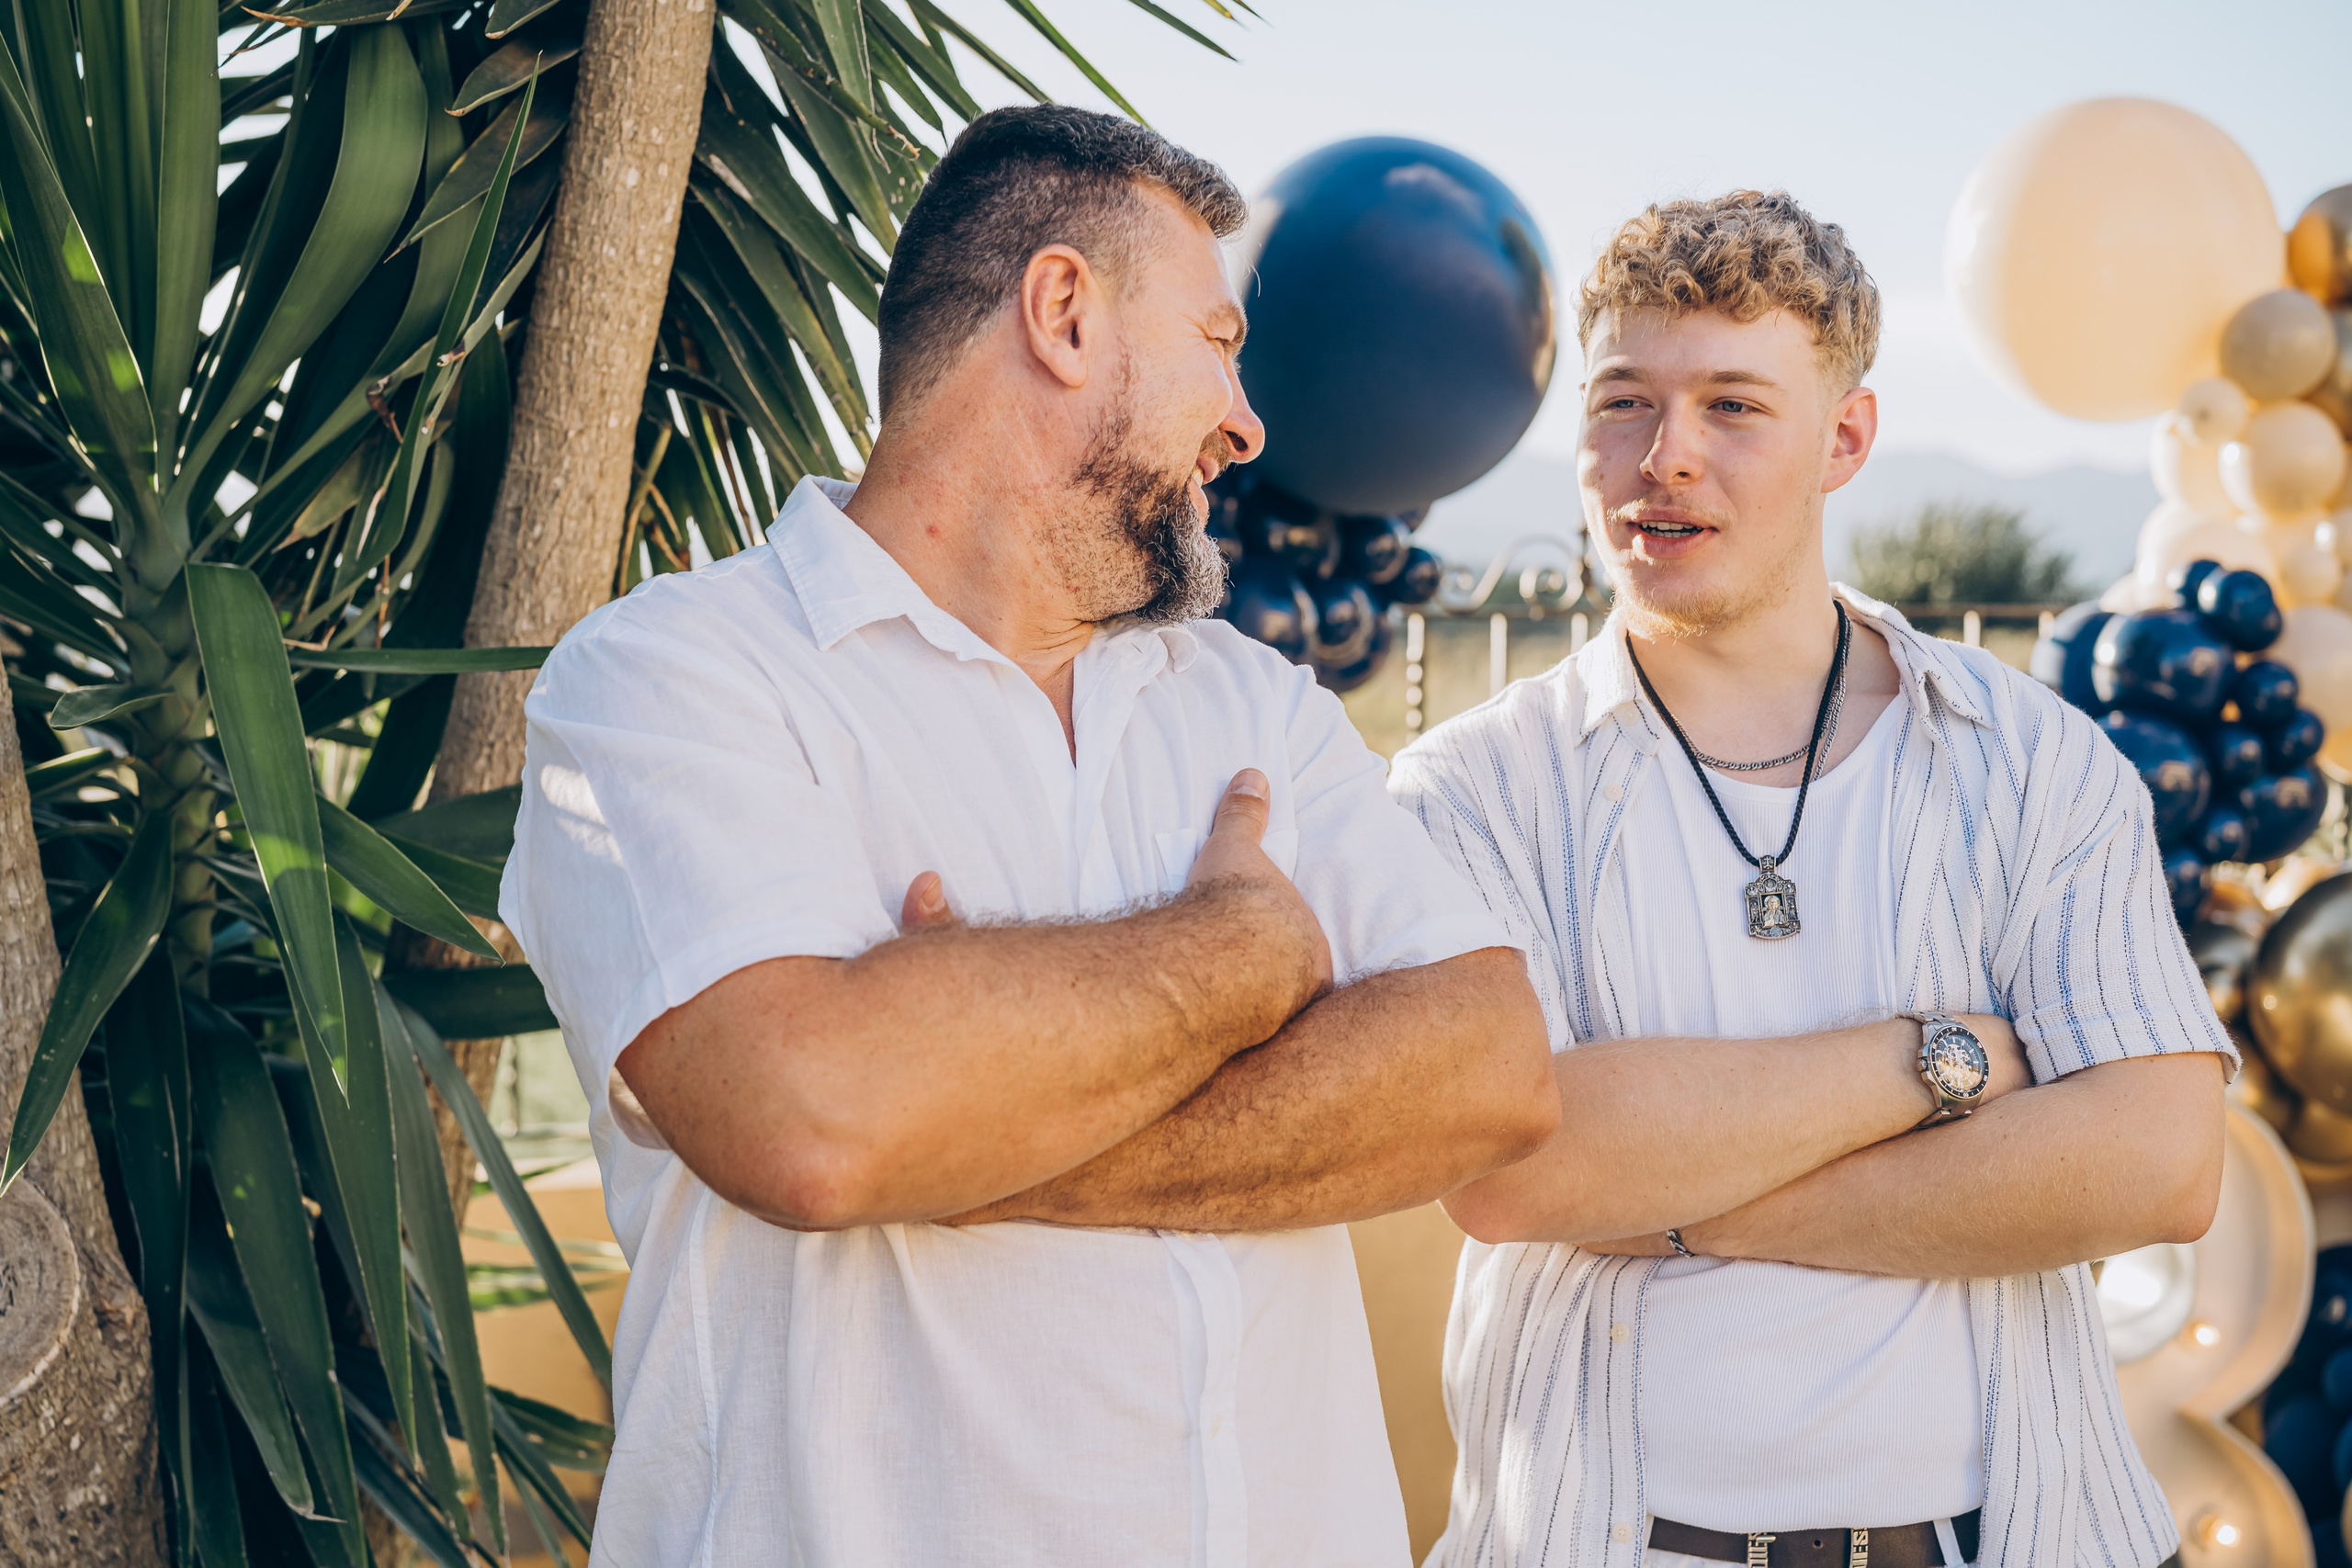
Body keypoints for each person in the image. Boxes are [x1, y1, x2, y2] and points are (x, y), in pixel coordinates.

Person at [499, 104, 1556, 1568]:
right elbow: (814, 1120)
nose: (1249, 424)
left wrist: (970, 1134)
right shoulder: (670, 681)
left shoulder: (1254, 702)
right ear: (1062, 313)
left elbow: (1490, 1070)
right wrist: (1242, 957)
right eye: (1218, 343)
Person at [1390, 191, 2231, 1568]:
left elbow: (2159, 1160)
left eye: (1734, 406)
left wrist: (1668, 1196)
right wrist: (1935, 1063)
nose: (1666, 460)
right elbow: (1514, 1165)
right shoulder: (1469, 790)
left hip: (1993, 1542)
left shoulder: (2033, 764)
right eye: (1623, 404)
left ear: (1845, 438)